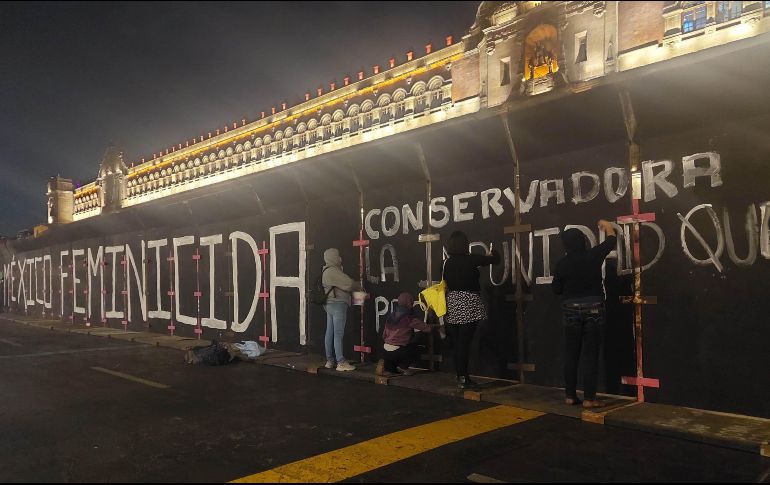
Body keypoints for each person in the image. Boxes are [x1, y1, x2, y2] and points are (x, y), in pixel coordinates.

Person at [552, 220, 617, 409]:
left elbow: (556, 289)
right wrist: (607, 226)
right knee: (591, 354)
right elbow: (611, 242)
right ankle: (589, 398)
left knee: (571, 354)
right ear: (583, 241)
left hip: (570, 309)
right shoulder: (592, 255)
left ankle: (570, 396)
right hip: (594, 308)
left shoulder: (562, 264)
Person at [444, 230, 499, 389]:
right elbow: (495, 259)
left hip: (451, 303)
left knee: (457, 343)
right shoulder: (471, 260)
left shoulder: (446, 263)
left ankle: (460, 376)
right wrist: (492, 252)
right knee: (464, 343)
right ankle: (464, 377)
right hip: (468, 302)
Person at [376, 292, 436, 376]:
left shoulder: (390, 316)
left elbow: (383, 335)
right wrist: (438, 326)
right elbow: (427, 328)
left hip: (385, 350)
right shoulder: (408, 318)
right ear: (409, 303)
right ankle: (403, 367)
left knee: (392, 370)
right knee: (416, 348)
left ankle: (386, 364)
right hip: (399, 351)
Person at [322, 248, 362, 372]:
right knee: (338, 334)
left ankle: (330, 361)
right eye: (338, 256)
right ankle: (340, 362)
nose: (340, 258)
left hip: (329, 305)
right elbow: (349, 283)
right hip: (338, 304)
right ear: (333, 258)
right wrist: (358, 285)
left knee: (330, 332)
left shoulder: (326, 270)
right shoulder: (333, 271)